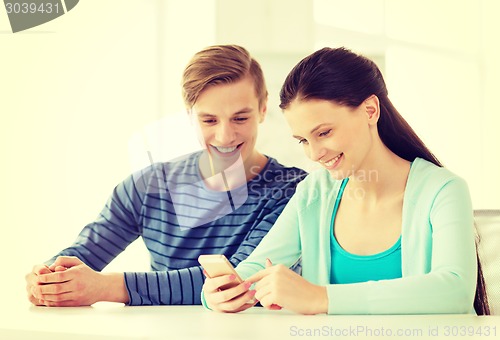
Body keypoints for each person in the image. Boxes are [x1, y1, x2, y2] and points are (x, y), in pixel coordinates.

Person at [202, 47, 490, 315]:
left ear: (370, 110)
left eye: (324, 132)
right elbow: (253, 269)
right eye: (304, 140)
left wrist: (321, 298)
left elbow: (454, 290)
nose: (314, 154)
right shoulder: (314, 193)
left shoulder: (443, 191)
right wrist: (218, 293)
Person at [25, 44, 307, 307]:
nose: (225, 135)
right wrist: (49, 278)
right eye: (209, 120)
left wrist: (106, 287)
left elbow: (237, 281)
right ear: (189, 115)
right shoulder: (147, 187)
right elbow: (81, 256)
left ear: (262, 108)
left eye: (240, 118)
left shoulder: (293, 191)